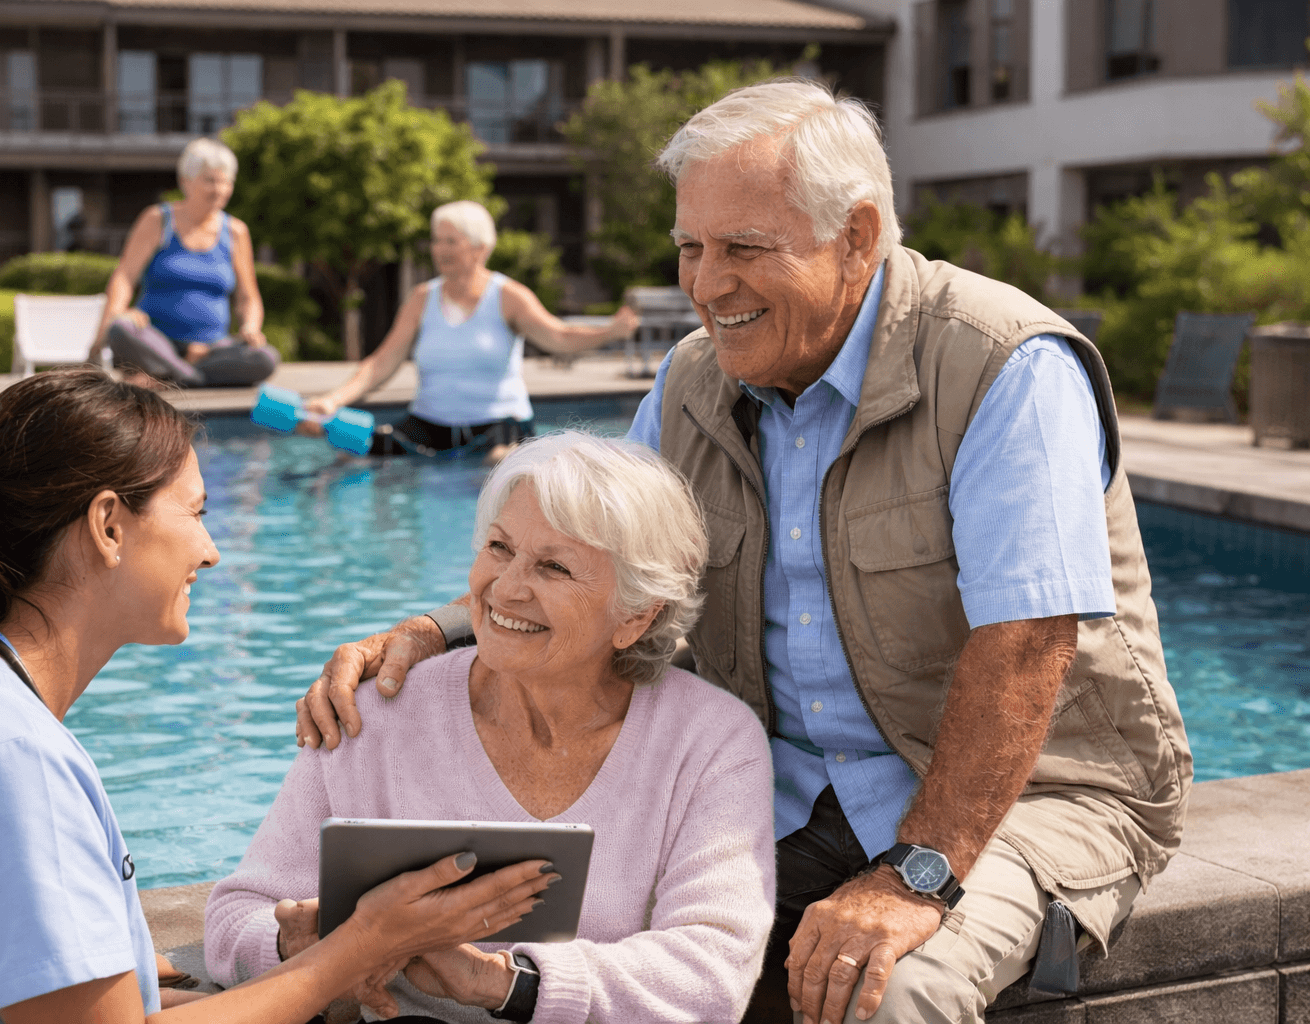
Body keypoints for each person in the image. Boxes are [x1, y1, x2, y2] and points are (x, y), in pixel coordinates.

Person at [292, 80, 1193, 1024]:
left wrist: (917, 876)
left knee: (889, 992)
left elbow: (1025, 646)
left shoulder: (1005, 365)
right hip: (790, 792)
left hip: (1034, 800)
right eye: (690, 248)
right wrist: (435, 634)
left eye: (743, 250)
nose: (705, 284)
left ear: (856, 236)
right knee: (512, 950)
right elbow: (583, 558)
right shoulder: (689, 381)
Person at [0, 369, 552, 1024]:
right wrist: (366, 943)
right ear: (109, 525)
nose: (210, 552)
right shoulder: (3, 755)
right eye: (197, 513)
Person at [206, 432, 776, 1023]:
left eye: (553, 567)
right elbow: (234, 919)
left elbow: (713, 974)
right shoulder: (375, 713)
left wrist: (501, 983)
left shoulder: (710, 741)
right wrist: (300, 946)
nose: (506, 589)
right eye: (500, 548)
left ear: (636, 616)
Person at [300, 201, 639, 461]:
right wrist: (333, 400)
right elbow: (380, 363)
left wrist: (612, 331)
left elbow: (559, 337)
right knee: (354, 447)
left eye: (451, 241)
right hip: (428, 426)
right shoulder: (421, 299)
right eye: (436, 241)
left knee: (497, 463)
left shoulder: (508, 297)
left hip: (499, 427)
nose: (440, 250)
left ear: (479, 247)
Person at [94, 137, 280, 388]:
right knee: (121, 330)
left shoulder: (236, 231)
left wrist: (251, 326)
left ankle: (173, 376)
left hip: (212, 349)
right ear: (186, 182)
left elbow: (248, 297)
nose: (220, 189)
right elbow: (125, 276)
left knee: (266, 358)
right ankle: (188, 375)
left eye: (227, 182)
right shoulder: (157, 220)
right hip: (157, 341)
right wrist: (117, 314)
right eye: (210, 180)